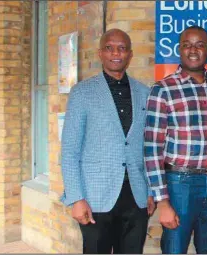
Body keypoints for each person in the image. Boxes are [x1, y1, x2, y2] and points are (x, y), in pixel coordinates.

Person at [60, 29, 155, 254]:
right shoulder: (81, 93)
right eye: (109, 48)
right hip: (94, 197)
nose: (116, 53)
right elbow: (70, 150)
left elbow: (149, 147)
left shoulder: (144, 93)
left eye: (122, 48)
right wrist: (76, 198)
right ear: (101, 53)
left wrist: (151, 190)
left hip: (136, 195)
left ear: (129, 54)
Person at [144, 25, 207, 254]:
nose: (193, 50)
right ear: (179, 50)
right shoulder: (163, 90)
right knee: (174, 249)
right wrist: (162, 201)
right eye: (187, 45)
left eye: (199, 45)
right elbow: (152, 148)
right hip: (179, 185)